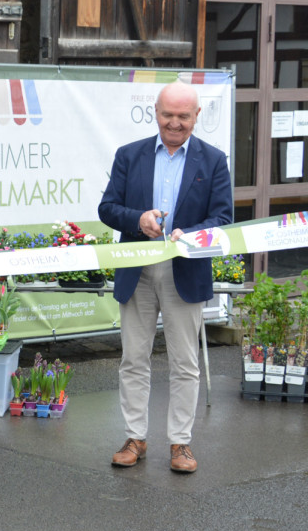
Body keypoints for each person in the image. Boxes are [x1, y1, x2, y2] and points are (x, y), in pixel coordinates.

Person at [98, 80, 233, 474]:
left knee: (185, 363)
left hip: (185, 271)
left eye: (183, 116)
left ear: (196, 117)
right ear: (156, 113)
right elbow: (108, 208)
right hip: (136, 269)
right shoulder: (130, 155)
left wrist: (189, 235)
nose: (175, 123)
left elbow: (223, 218)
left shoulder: (213, 160)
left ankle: (181, 444)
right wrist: (137, 219)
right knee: (133, 359)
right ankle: (135, 438)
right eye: (168, 115)